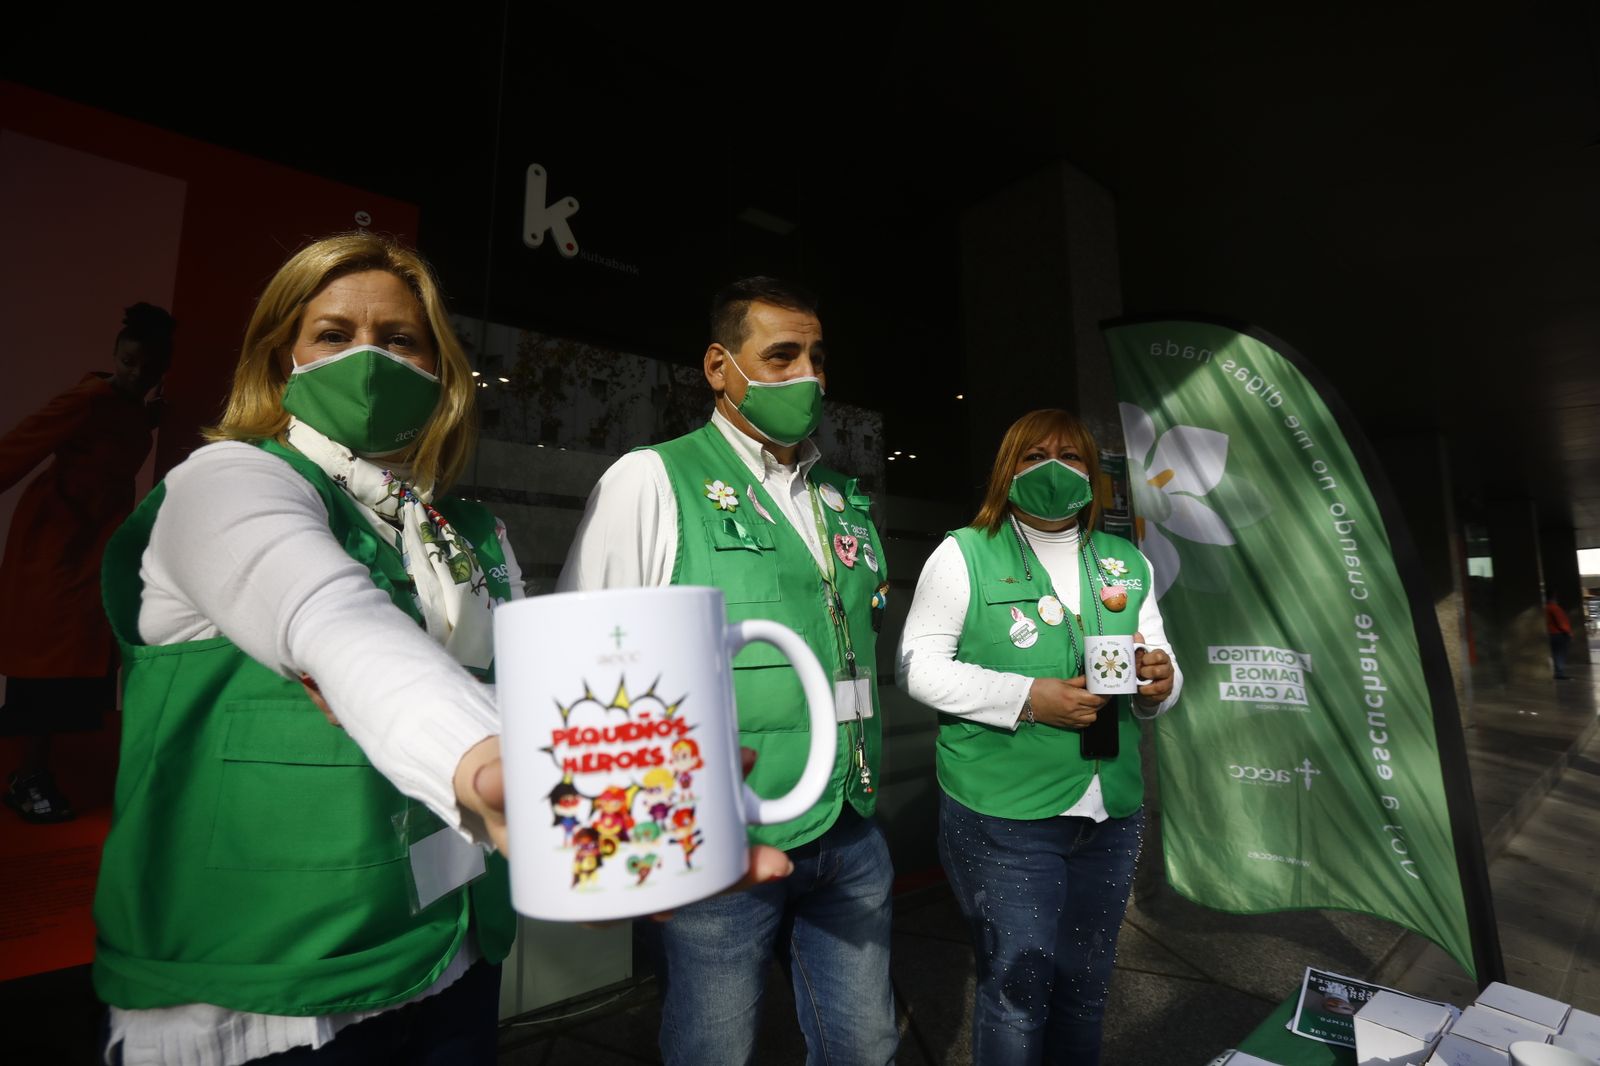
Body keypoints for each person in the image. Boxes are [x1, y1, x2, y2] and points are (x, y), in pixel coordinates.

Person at [93, 233, 521, 1066]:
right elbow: (331, 618)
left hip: (453, 956)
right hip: (266, 994)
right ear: (284, 361)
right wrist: (486, 763)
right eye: (334, 334)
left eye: (400, 340)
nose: (369, 357)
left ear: (440, 371)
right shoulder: (228, 481)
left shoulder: (469, 531)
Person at [558, 276, 898, 1066]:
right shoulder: (653, 479)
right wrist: (631, 854)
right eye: (781, 356)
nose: (806, 376)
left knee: (869, 1046)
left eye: (816, 358)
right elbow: (591, 656)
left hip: (850, 826)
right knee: (715, 1050)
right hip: (721, 839)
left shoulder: (842, 498)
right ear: (720, 367)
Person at [898, 408, 1182, 1066]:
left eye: (1072, 456)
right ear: (1007, 469)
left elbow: (1159, 660)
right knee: (1018, 994)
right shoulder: (963, 553)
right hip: (1006, 818)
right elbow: (917, 666)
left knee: (1085, 989)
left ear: (1093, 473)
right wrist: (1028, 698)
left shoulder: (1124, 561)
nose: (1054, 468)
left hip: (1109, 814)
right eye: (1034, 456)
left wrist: (1162, 682)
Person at [0, 303, 173, 822]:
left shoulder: (133, 405)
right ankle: (26, 776)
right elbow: (16, 449)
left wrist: (145, 417)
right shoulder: (90, 397)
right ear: (115, 355)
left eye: (147, 368)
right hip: (56, 540)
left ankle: (39, 766)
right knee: (47, 658)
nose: (135, 374)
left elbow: (115, 444)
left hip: (96, 542)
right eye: (128, 362)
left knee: (76, 658)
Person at [1546, 592, 1573, 680]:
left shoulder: (1545, 608)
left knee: (1555, 654)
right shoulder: (1555, 608)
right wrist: (1568, 632)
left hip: (1550, 634)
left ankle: (1558, 672)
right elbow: (1561, 622)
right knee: (1560, 654)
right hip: (1558, 634)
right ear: (1554, 598)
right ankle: (1559, 673)